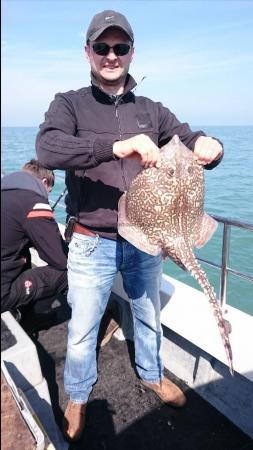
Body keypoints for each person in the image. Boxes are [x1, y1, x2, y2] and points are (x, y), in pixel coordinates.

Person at [36, 10, 224, 442]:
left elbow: (187, 138)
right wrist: (116, 146)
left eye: (120, 48)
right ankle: (79, 396)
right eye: (102, 47)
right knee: (83, 328)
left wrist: (209, 146)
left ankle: (153, 374)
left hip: (146, 239)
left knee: (147, 315)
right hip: (91, 240)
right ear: (88, 52)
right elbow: (48, 148)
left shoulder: (152, 110)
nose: (111, 55)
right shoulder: (69, 103)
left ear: (132, 53)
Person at [1, 159, 68, 324]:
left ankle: (26, 316)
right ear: (44, 182)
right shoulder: (34, 202)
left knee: (23, 254)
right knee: (70, 272)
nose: (46, 197)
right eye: (49, 192)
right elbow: (60, 260)